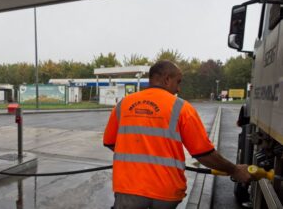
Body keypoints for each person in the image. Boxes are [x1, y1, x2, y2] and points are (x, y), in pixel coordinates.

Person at [103, 60, 251, 209]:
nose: (179, 88)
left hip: (128, 190)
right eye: (178, 82)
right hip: (166, 193)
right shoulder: (182, 108)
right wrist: (235, 170)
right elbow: (204, 154)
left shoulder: (123, 104)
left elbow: (109, 141)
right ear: (167, 79)